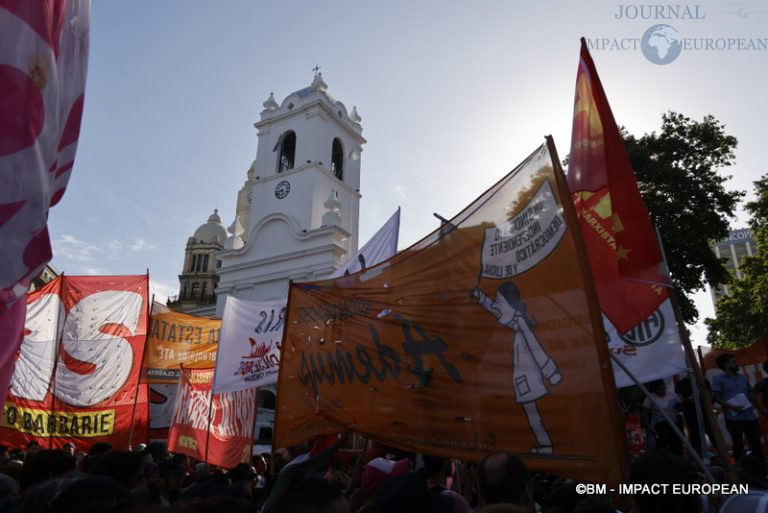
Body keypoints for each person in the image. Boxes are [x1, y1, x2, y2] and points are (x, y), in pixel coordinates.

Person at [473, 282, 562, 455]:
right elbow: (494, 309)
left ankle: (547, 447)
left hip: (528, 377)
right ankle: (546, 446)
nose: (497, 305)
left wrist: (550, 372)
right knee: (532, 415)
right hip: (523, 377)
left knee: (533, 415)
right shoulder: (514, 322)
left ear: (509, 303)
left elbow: (535, 346)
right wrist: (482, 297)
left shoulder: (520, 324)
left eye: (500, 301)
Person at [711, 353, 766, 471]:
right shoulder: (719, 379)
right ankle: (741, 470)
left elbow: (751, 395)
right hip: (733, 417)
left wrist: (761, 410)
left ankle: (762, 469)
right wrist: (731, 407)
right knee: (738, 444)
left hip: (749, 416)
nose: (736, 364)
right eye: (733, 362)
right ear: (726, 365)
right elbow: (716, 397)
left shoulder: (742, 378)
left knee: (756, 442)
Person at [642, 379, 684, 456]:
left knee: (676, 443)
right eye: (660, 389)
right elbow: (645, 413)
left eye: (663, 388)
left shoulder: (671, 395)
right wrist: (648, 426)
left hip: (673, 422)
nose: (662, 391)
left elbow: (679, 407)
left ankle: (678, 458)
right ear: (655, 389)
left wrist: (679, 406)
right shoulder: (650, 398)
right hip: (660, 424)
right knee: (663, 444)